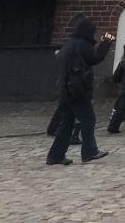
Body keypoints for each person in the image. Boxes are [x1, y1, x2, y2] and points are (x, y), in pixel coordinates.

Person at [46, 17, 114, 165]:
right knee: (88, 119)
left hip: (65, 90)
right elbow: (95, 58)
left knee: (66, 124)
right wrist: (106, 43)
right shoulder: (81, 45)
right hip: (77, 90)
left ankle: (55, 156)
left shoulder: (68, 45)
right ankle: (89, 151)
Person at [46, 13, 86, 146]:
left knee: (64, 107)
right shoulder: (75, 46)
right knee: (74, 109)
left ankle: (54, 128)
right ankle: (72, 135)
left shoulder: (72, 45)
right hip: (71, 82)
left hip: (67, 82)